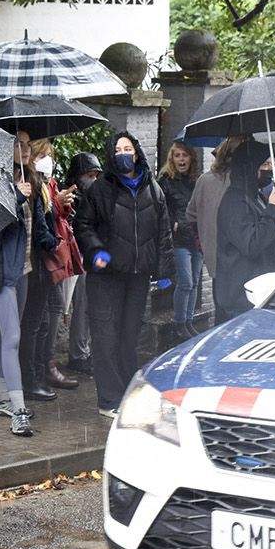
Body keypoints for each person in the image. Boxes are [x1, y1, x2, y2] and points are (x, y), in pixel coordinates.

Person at [73, 132, 174, 418]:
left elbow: (163, 232)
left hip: (137, 276)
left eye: (128, 148)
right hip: (106, 277)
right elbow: (83, 225)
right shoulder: (99, 190)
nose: (123, 153)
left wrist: (165, 271)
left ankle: (128, 392)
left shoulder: (153, 189)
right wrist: (96, 251)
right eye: (118, 149)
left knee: (129, 336)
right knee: (106, 336)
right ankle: (108, 399)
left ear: (138, 153)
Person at [0, 131, 53, 435]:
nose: (25, 149)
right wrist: (15, 196)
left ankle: (1, 398)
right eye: (18, 144)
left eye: (28, 143)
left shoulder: (30, 181)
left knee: (9, 336)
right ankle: (18, 409)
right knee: (12, 338)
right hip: (3, 272)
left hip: (23, 269)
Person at [20, 139, 82, 397]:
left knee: (43, 320)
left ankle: (39, 371)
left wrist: (61, 205)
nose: (47, 159)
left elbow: (53, 217)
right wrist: (54, 242)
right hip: (36, 262)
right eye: (42, 154)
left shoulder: (44, 184)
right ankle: (30, 377)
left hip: (44, 261)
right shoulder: (31, 184)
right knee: (34, 322)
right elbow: (38, 224)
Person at [214, 140, 275, 323]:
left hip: (260, 294)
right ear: (249, 168)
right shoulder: (235, 202)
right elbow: (251, 244)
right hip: (243, 298)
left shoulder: (254, 196)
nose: (269, 169)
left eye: (271, 164)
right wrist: (272, 210)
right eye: (264, 165)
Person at [181, 135, 243, 287]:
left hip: (214, 259)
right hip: (238, 260)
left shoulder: (204, 180)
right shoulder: (241, 182)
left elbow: (191, 215)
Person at [61, 151, 102, 376]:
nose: (93, 179)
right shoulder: (71, 197)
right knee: (66, 308)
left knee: (84, 307)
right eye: (89, 174)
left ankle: (81, 352)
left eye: (96, 174)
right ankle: (77, 354)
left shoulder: (94, 198)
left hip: (84, 258)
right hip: (70, 259)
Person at [158, 141, 203, 339]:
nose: (181, 159)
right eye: (177, 156)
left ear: (191, 157)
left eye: (185, 155)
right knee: (185, 281)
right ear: (172, 159)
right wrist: (173, 223)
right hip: (178, 239)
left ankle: (189, 321)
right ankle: (179, 323)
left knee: (194, 283)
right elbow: (160, 209)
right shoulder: (166, 181)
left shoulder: (197, 180)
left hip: (196, 235)